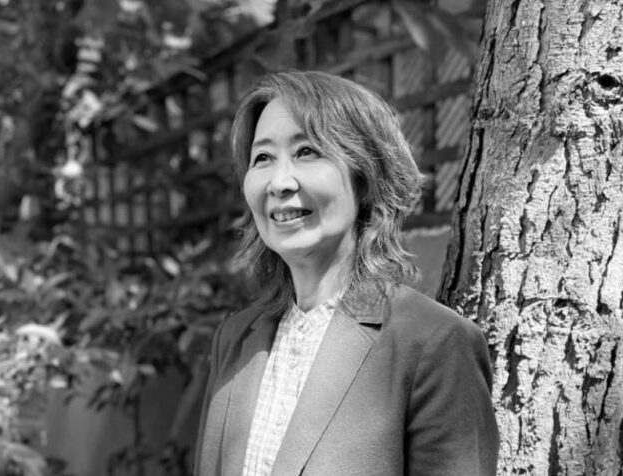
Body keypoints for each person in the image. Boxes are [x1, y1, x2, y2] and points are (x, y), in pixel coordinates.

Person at [194, 71, 498, 476]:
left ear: (365, 176)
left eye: (307, 152)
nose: (280, 182)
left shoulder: (434, 344)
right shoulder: (233, 340)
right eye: (262, 157)